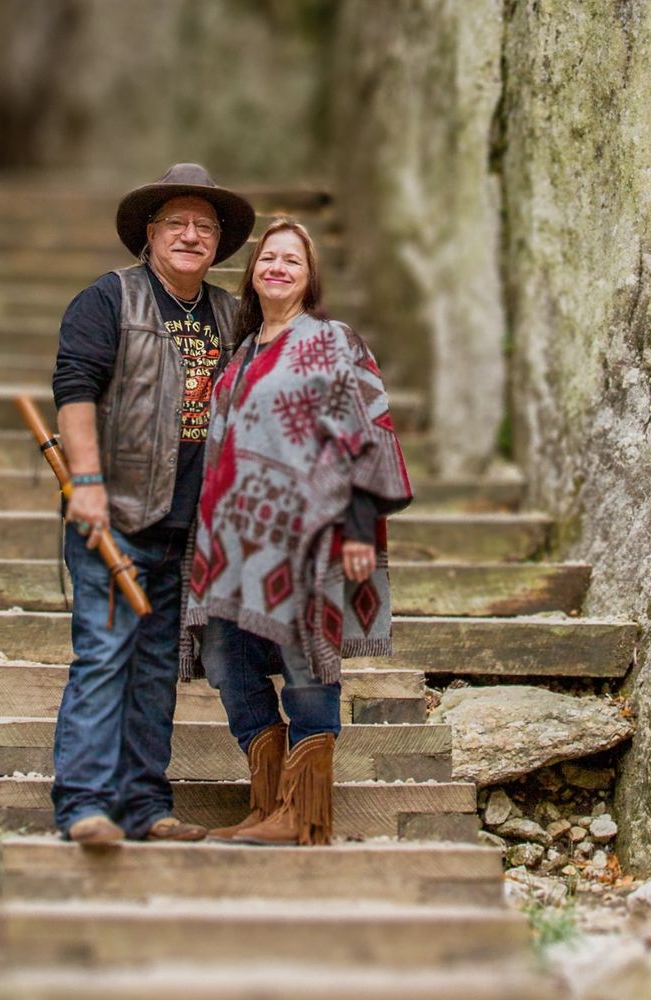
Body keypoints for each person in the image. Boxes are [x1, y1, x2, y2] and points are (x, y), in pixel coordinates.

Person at [183, 219, 412, 846]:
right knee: (225, 657)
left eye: (293, 260)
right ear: (253, 272)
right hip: (232, 542)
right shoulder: (240, 355)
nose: (278, 267)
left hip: (311, 533)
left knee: (305, 653)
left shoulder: (331, 340)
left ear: (309, 279)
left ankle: (304, 811)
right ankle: (268, 803)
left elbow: (366, 428)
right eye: (269, 257)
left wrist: (360, 527)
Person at [47, 163, 255, 845]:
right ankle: (84, 804)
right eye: (177, 223)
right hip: (117, 518)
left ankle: (142, 806)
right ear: (151, 232)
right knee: (106, 655)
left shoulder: (230, 315)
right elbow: (75, 389)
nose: (191, 235)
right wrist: (86, 483)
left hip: (188, 531)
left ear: (218, 242)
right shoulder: (109, 299)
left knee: (159, 668)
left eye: (205, 226)